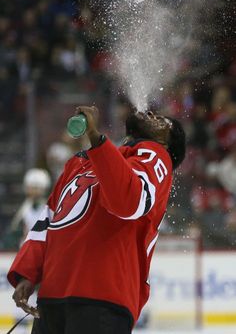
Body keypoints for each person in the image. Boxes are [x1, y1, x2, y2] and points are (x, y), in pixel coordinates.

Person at [7, 105, 186, 334]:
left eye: (162, 121)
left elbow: (128, 202)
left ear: (166, 145)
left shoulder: (156, 156)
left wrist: (95, 138)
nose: (151, 115)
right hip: (53, 295)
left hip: (103, 295)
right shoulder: (82, 161)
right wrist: (28, 273)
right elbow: (48, 221)